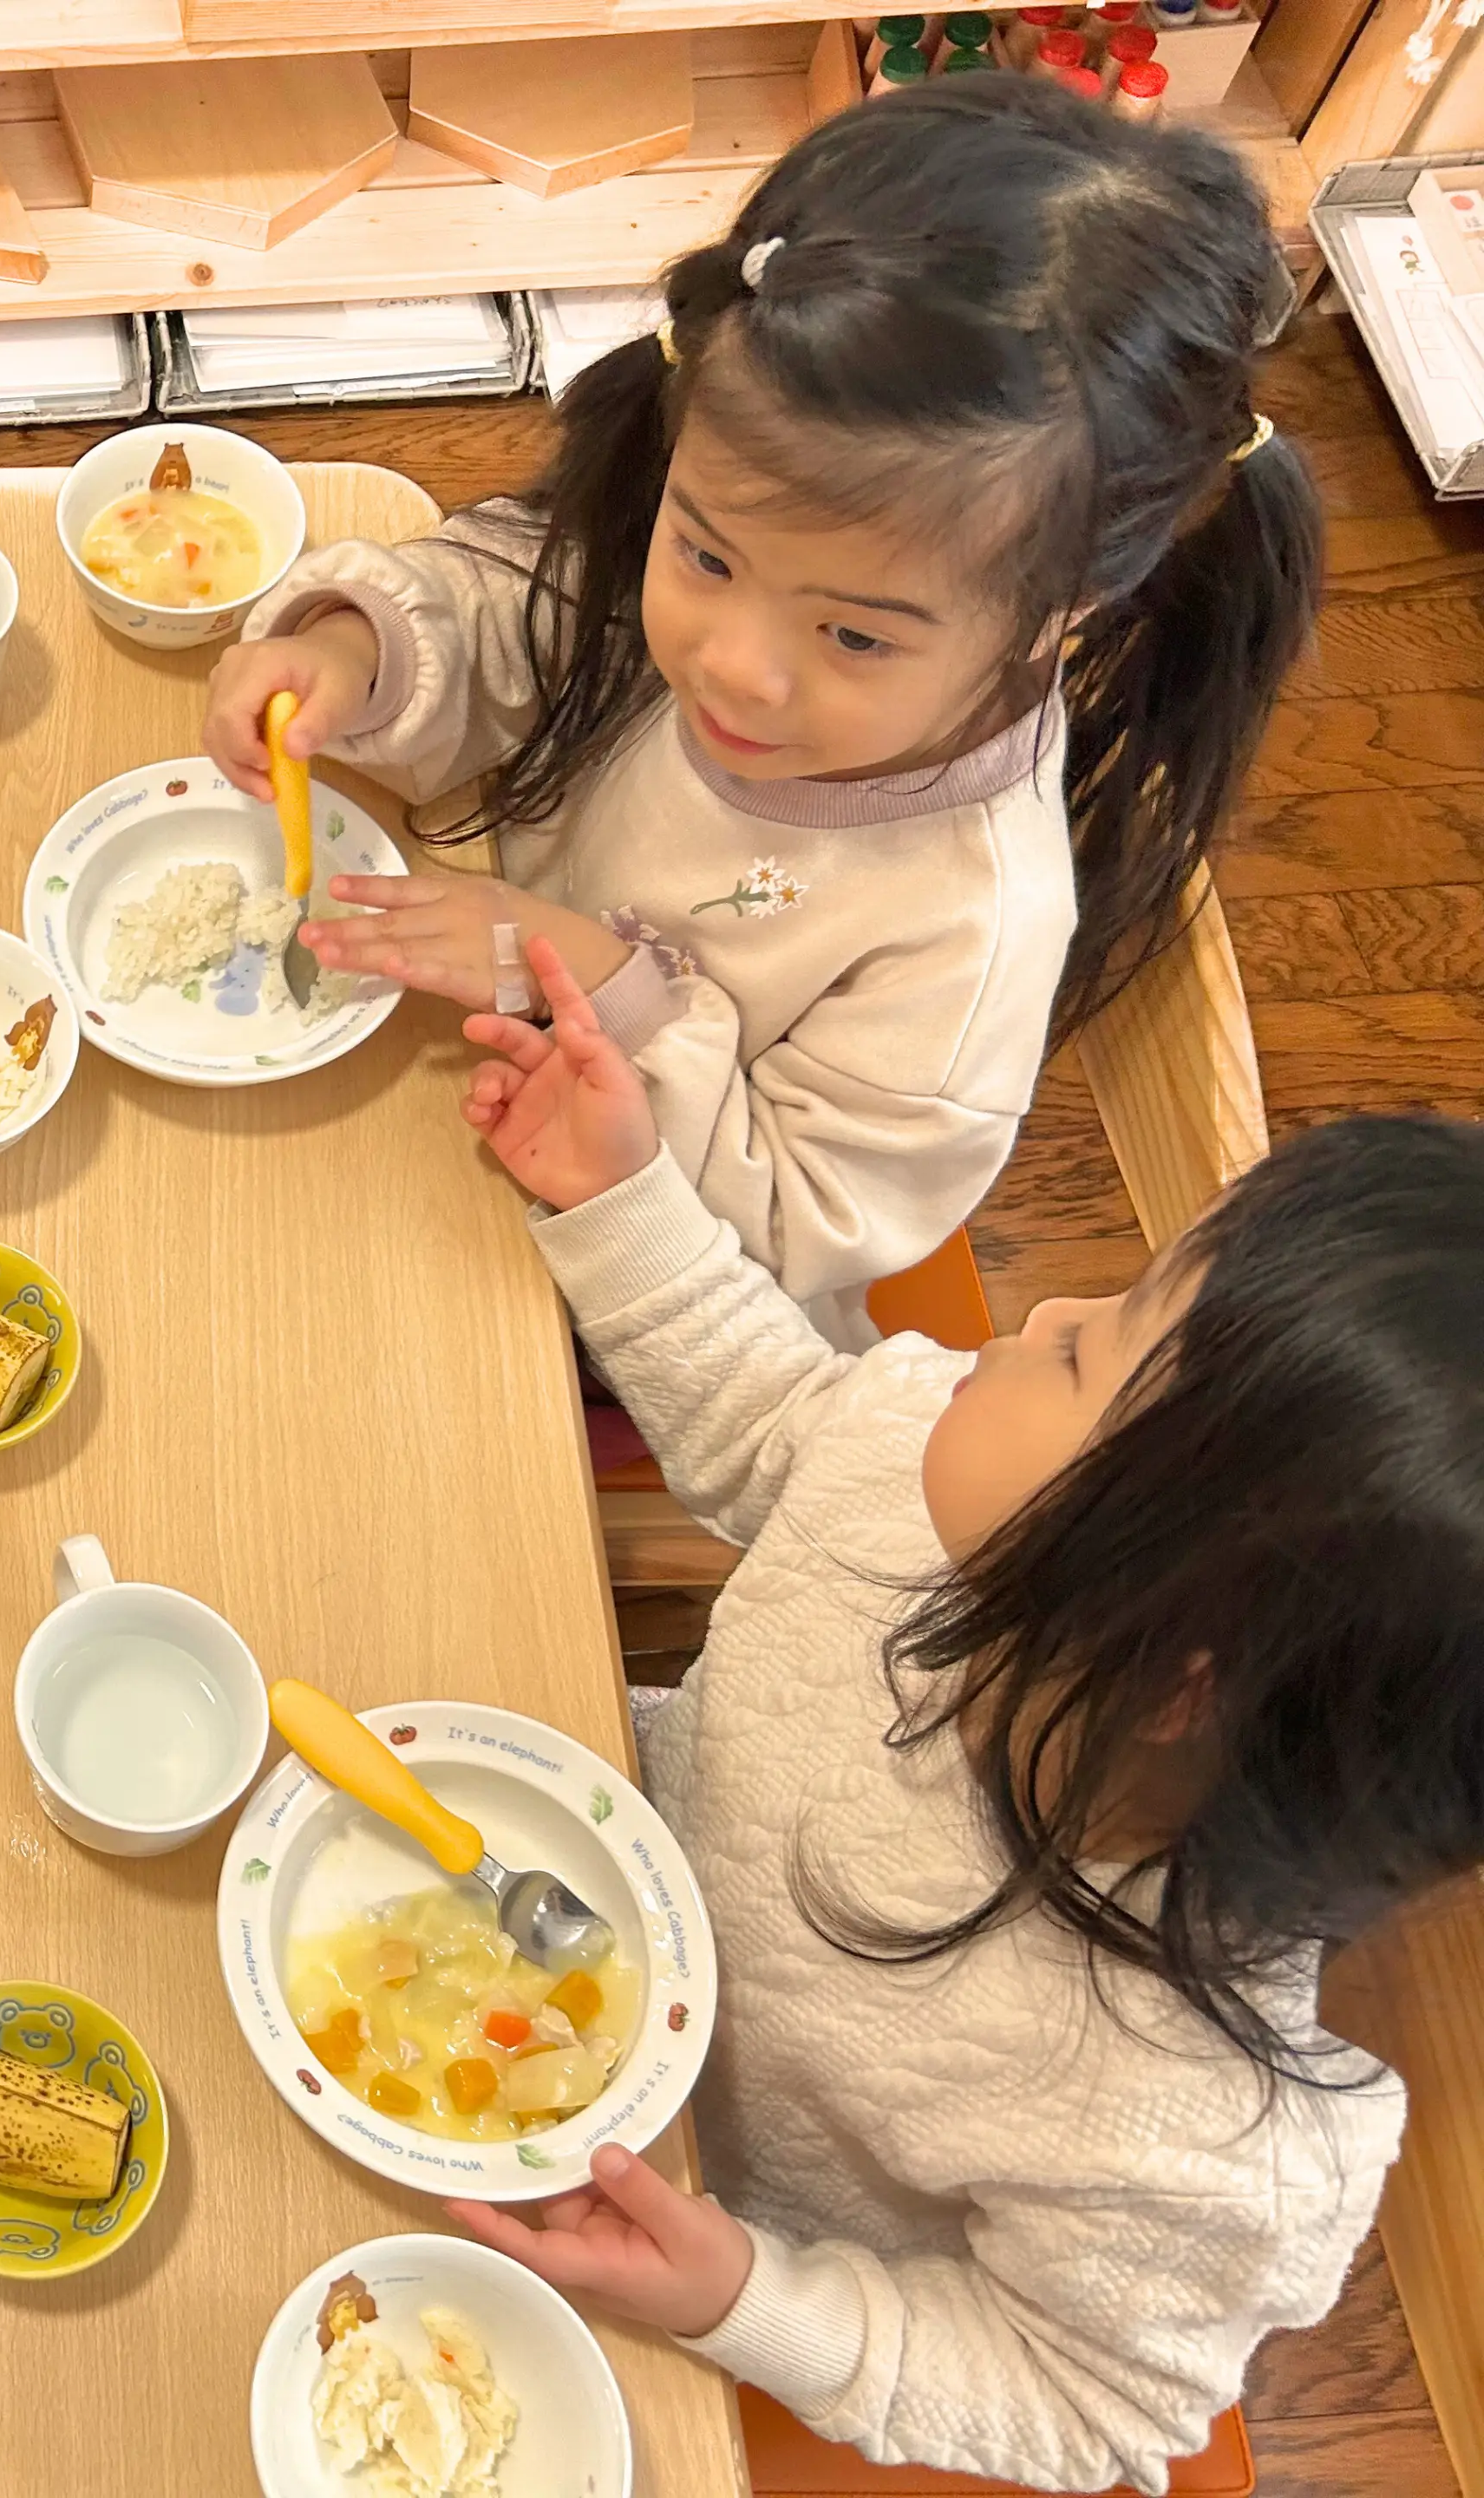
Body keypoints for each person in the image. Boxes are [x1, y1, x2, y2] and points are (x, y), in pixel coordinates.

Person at [441, 938, 1484, 2493]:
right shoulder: (935, 1463)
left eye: (1082, 1351)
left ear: (1166, 1670)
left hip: (670, 2224)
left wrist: (751, 2298)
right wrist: (619, 1199)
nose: (1040, 1302)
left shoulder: (1194, 2141)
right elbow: (779, 1423)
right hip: (556, 1898)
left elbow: (1087, 2402)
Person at [206, 82, 1317, 1341]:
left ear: (1062, 613)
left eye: (854, 636)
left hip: (611, 1301)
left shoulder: (965, 924)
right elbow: (527, 608)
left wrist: (598, 985)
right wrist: (358, 652)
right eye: (704, 555)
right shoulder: (767, 560)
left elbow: (790, 1227)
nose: (733, 665)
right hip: (456, 1048)